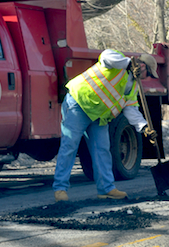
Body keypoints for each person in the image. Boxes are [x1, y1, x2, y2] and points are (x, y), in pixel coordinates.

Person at [53, 49, 159, 202]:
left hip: (99, 116)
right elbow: (105, 56)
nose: (147, 78)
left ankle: (106, 189)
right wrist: (128, 63)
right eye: (148, 74)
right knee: (69, 146)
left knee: (102, 151)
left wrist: (144, 128)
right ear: (142, 66)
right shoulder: (118, 61)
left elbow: (131, 110)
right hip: (79, 104)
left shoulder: (133, 87)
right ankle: (60, 189)